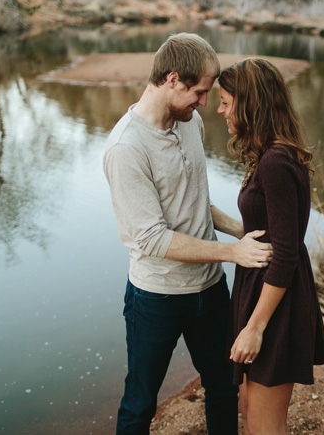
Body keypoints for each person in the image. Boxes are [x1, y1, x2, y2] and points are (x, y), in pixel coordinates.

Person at [103, 33, 273, 435]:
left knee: (223, 388)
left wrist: (244, 230)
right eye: (198, 92)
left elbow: (196, 201)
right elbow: (152, 239)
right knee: (140, 403)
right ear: (172, 79)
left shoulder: (189, 122)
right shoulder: (127, 148)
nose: (205, 104)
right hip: (156, 299)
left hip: (210, 292)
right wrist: (234, 253)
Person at [216, 57, 324, 434]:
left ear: (250, 104)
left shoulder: (275, 163)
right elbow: (270, 231)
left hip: (275, 303)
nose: (220, 110)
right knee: (251, 408)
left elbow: (284, 254)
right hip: (264, 292)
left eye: (226, 102)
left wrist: (255, 328)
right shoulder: (272, 155)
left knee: (265, 425)